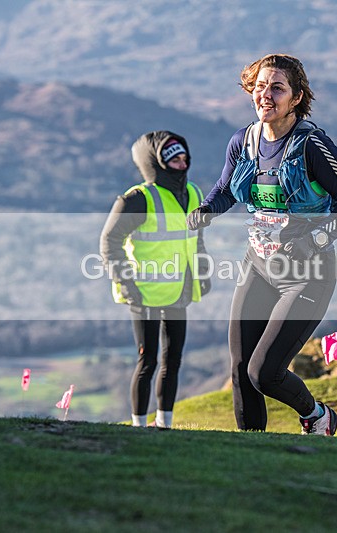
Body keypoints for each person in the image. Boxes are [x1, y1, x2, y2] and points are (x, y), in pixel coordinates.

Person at [187, 54, 337, 435]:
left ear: (296, 97)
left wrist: (314, 240)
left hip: (307, 274)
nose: (265, 95)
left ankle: (318, 416)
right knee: (239, 368)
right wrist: (206, 210)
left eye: (277, 88)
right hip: (259, 266)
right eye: (260, 87)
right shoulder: (243, 140)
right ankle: (251, 453)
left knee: (263, 373)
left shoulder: (311, 145)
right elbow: (224, 189)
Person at [100, 131, 211, 429]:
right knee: (147, 362)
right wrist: (126, 284)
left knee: (173, 359)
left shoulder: (195, 194)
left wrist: (202, 272)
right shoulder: (138, 199)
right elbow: (109, 241)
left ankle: (165, 423)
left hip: (179, 290)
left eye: (184, 157)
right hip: (143, 292)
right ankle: (138, 425)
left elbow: (195, 239)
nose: (181, 162)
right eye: (173, 158)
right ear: (157, 163)